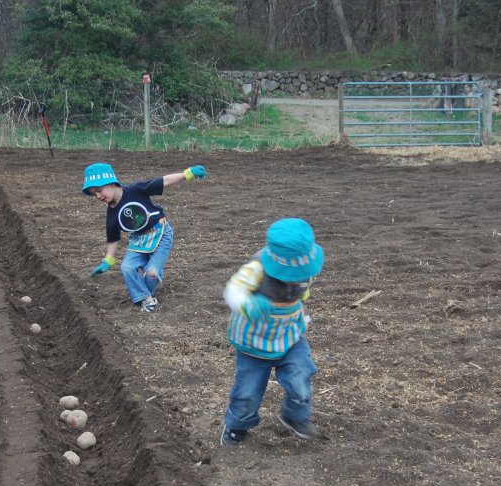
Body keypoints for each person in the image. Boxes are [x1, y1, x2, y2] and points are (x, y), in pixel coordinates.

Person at [220, 217, 324, 446]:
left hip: (290, 337)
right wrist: (248, 304)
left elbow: (301, 294)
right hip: (253, 343)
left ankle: (294, 416)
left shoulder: (306, 267)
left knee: (301, 377)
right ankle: (237, 425)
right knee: (247, 393)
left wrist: (301, 311)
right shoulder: (257, 268)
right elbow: (233, 290)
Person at [82, 162, 207, 312]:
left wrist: (187, 174)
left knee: (152, 273)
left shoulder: (135, 190)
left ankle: (144, 292)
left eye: (99, 190)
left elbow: (164, 181)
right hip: (139, 240)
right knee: (127, 267)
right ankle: (146, 298)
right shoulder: (112, 214)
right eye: (94, 194)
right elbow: (113, 238)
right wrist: (108, 260)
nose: (98, 196)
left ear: (112, 183)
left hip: (160, 234)